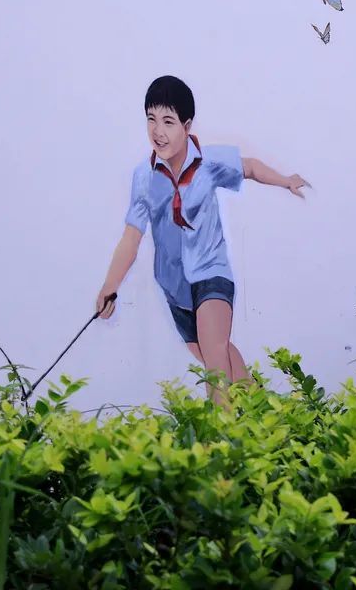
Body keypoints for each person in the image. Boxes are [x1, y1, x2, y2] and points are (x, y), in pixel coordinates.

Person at [95, 75, 309, 405]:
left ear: (186, 125)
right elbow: (131, 236)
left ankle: (220, 432)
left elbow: (250, 168)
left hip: (211, 274)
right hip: (174, 286)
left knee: (214, 362)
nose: (158, 131)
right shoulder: (144, 177)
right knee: (217, 355)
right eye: (151, 119)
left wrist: (285, 181)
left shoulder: (209, 162)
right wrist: (110, 286)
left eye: (168, 121)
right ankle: (264, 413)